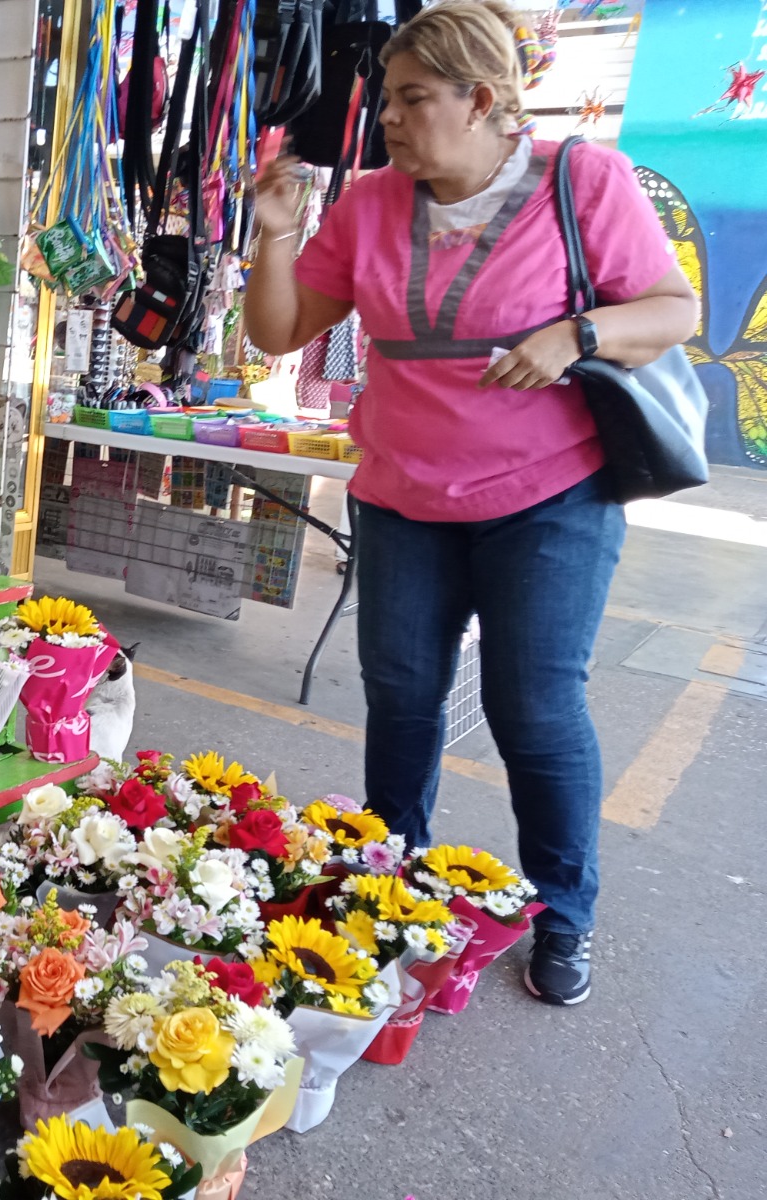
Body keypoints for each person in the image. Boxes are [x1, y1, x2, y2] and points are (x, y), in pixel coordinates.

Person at [243, 0, 697, 1006]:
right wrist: (273, 236)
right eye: (390, 100)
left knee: (530, 709)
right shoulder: (366, 203)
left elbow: (674, 310)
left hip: (550, 498)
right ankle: (388, 881)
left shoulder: (583, 183)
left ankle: (561, 913)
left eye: (410, 100)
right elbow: (277, 332)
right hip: (403, 495)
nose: (390, 120)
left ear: (482, 99)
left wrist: (575, 336)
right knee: (400, 697)